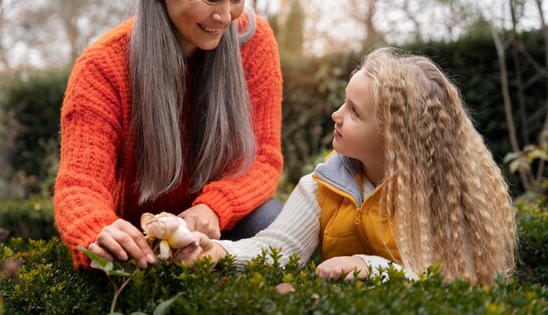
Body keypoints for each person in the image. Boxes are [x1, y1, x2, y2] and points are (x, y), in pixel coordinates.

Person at [53, 0, 283, 269]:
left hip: (219, 230)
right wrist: (96, 228)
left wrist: (214, 207)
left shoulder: (252, 42)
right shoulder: (103, 68)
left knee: (270, 220)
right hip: (137, 236)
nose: (226, 16)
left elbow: (263, 158)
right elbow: (80, 184)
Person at [177, 47, 517, 285]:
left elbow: (454, 280)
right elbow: (281, 248)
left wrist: (369, 267)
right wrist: (219, 250)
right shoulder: (322, 185)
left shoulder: (438, 199)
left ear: (394, 138)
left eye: (355, 112)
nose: (336, 114)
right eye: (345, 101)